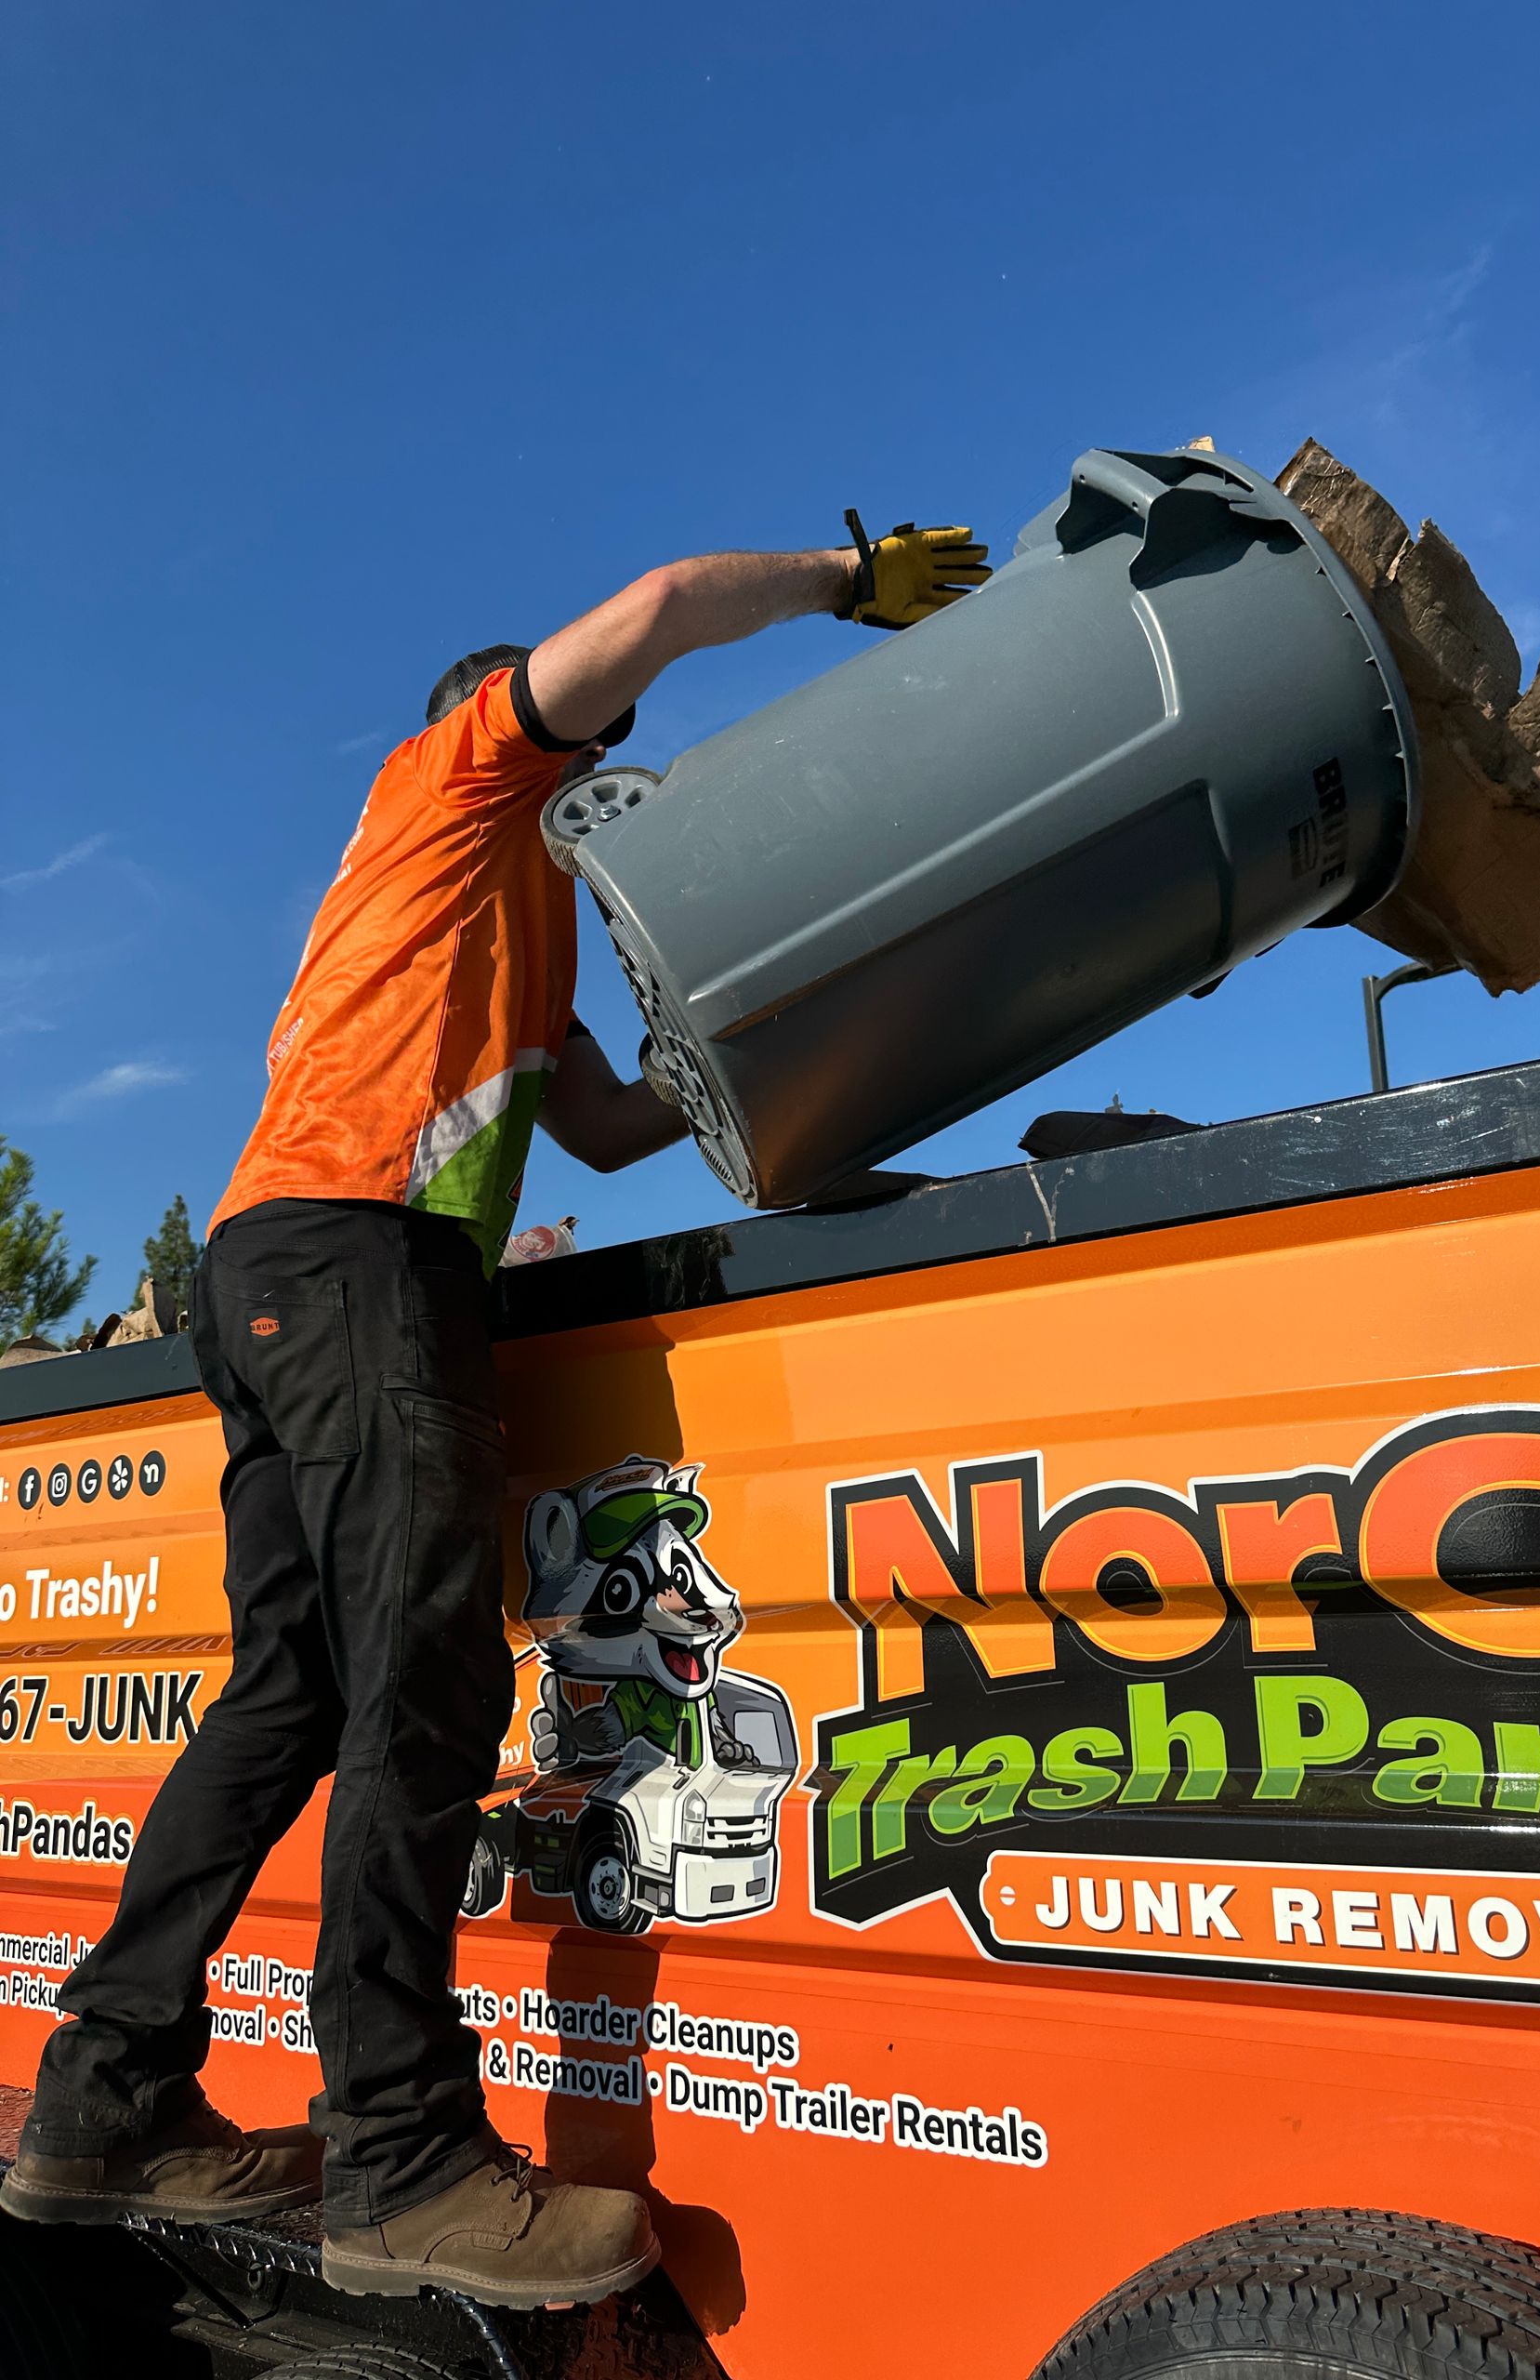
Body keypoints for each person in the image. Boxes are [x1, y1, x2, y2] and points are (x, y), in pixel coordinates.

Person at [1, 517, 990, 2307]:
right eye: (580, 744)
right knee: (431, 1681)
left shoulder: (514, 936)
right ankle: (398, 2152)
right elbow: (661, 612)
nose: (596, 769)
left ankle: (99, 2099)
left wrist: (828, 1046)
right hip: (360, 1263)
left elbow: (610, 1128)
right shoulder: (456, 779)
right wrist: (854, 584)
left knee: (293, 1691)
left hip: (286, 1269)